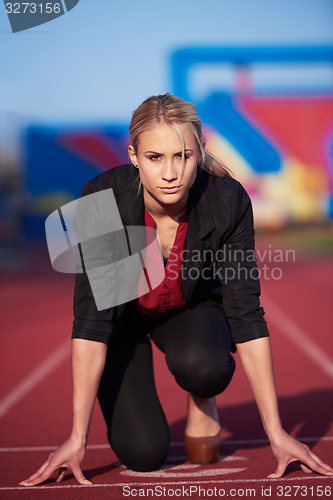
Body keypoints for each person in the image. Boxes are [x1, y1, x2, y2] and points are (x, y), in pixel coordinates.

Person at [19, 93, 332, 487]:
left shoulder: (226, 199)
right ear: (133, 155)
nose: (171, 173)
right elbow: (92, 322)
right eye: (155, 157)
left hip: (188, 309)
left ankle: (201, 396)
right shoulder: (104, 202)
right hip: (123, 320)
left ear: (200, 154)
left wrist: (277, 433)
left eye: (182, 156)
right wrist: (76, 438)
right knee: (144, 455)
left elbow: (245, 312)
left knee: (206, 367)